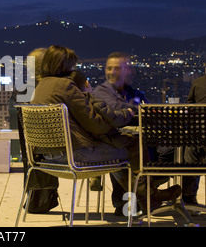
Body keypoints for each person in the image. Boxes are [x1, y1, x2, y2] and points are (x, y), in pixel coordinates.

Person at [31, 45, 181, 213]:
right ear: (63, 66)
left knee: (121, 146)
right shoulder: (66, 86)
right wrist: (89, 95)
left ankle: (140, 200)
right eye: (71, 66)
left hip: (47, 157)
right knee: (132, 145)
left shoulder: (42, 86)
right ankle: (147, 195)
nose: (73, 70)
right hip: (74, 155)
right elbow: (95, 124)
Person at [182, 73, 206, 204]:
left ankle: (188, 195)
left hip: (198, 136)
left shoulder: (198, 82)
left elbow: (189, 106)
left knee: (190, 152)